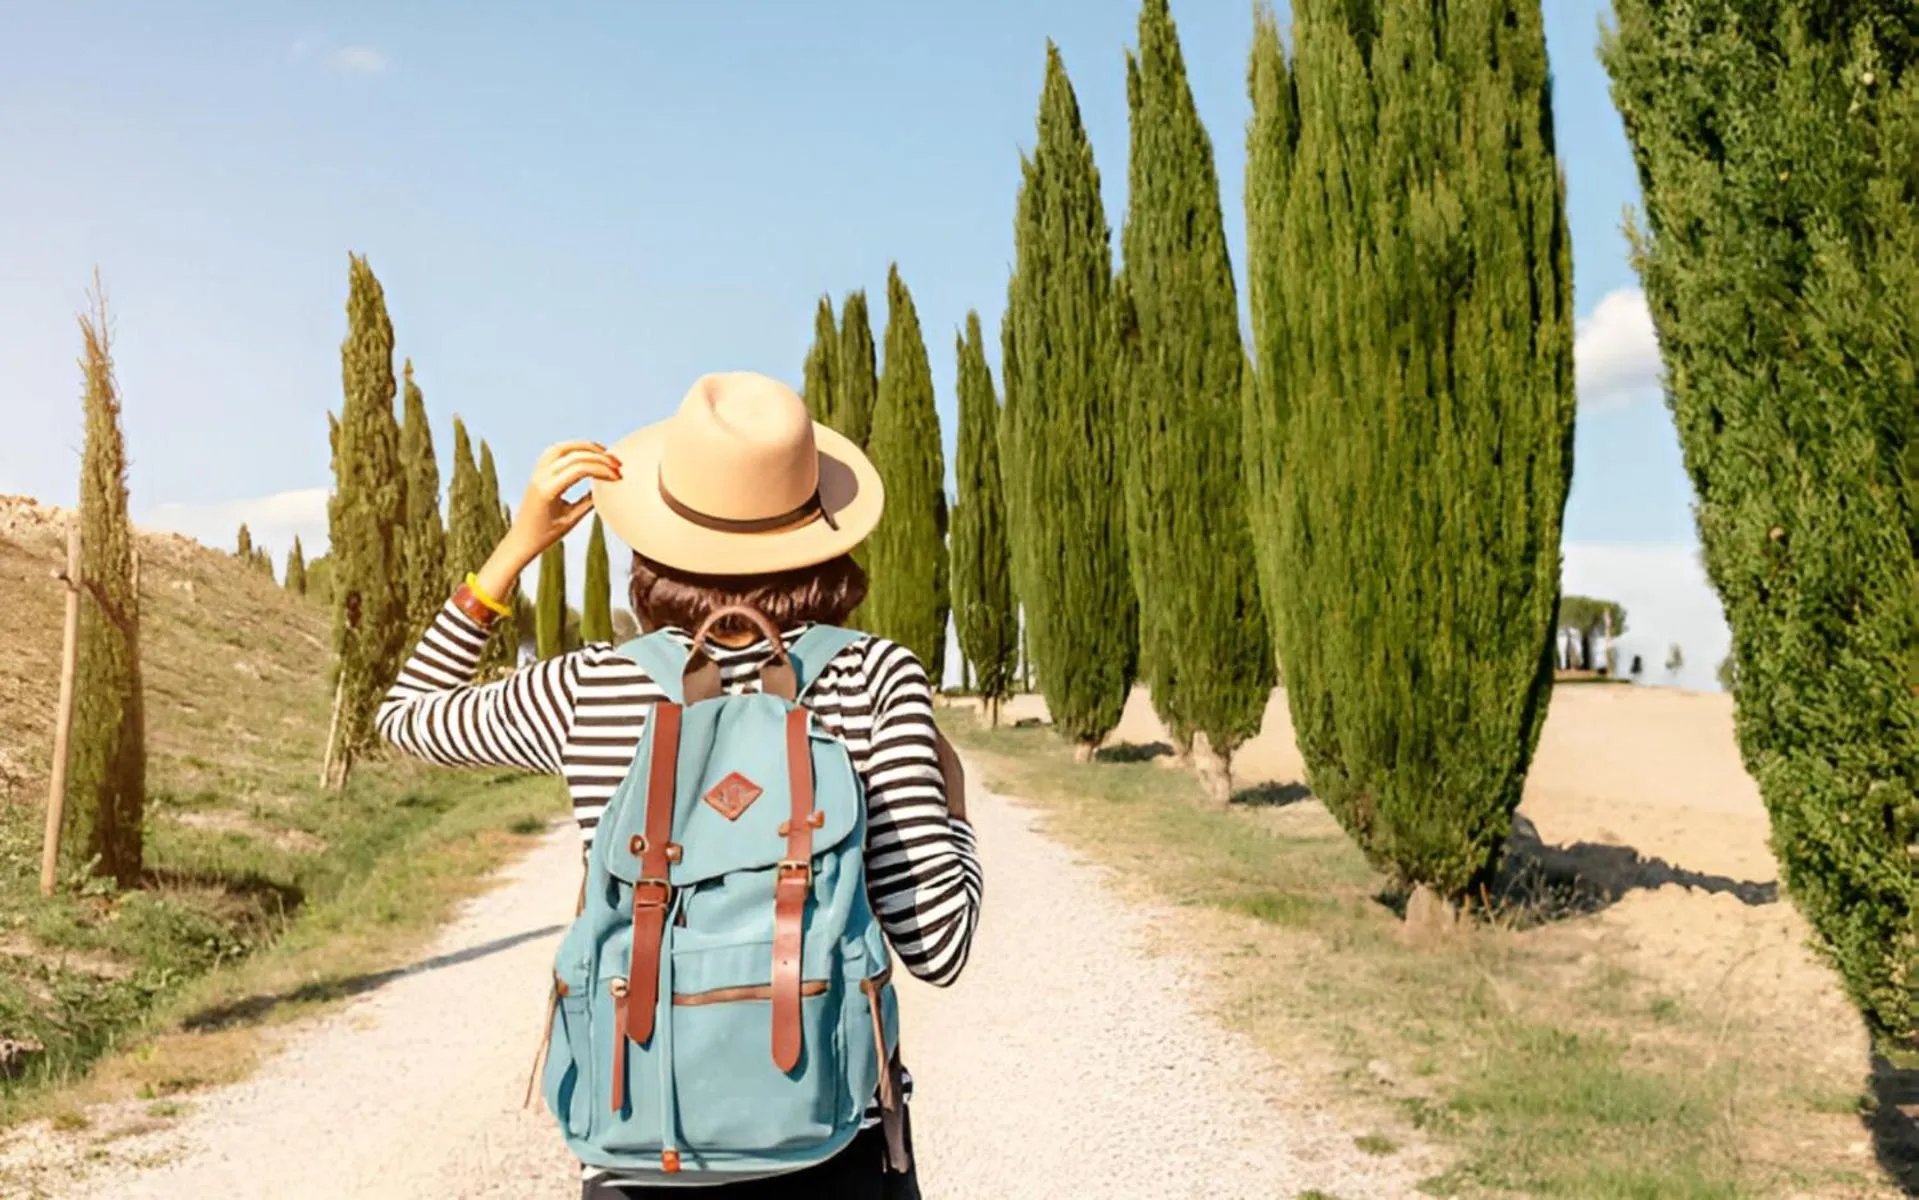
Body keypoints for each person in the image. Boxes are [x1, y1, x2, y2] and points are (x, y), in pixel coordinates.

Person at [376, 371, 984, 1198]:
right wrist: (952, 801)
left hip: (638, 1150)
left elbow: (407, 717)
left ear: (655, 538)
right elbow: (938, 946)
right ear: (821, 534)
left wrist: (510, 554)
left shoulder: (589, 685)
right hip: (830, 1153)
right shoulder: (872, 675)